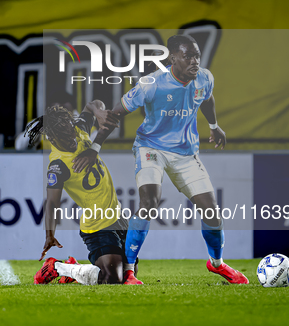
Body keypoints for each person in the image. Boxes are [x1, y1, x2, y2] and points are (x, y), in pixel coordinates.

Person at [75, 34, 249, 285]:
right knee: (149, 201)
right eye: (188, 56)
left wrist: (214, 125)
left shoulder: (205, 78)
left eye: (197, 55)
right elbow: (116, 113)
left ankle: (217, 264)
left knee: (212, 212)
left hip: (186, 153)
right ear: (172, 58)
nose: (194, 61)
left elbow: (207, 98)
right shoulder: (151, 83)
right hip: (150, 148)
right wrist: (94, 147)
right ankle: (130, 270)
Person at [26, 100, 142, 285]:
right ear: (52, 139)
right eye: (66, 136)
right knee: (113, 278)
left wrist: (98, 114)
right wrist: (49, 235)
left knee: (130, 271)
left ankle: (75, 268)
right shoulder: (58, 165)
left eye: (71, 130)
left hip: (117, 215)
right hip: (97, 225)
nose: (72, 137)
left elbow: (94, 104)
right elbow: (52, 203)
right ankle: (59, 267)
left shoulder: (78, 129)